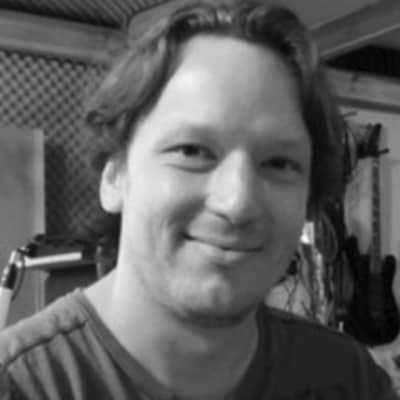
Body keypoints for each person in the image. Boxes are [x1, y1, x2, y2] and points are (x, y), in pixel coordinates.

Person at [0, 0, 396, 398]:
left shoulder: (348, 379)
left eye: (279, 162)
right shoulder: (21, 385)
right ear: (115, 175)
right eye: (191, 151)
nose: (237, 202)